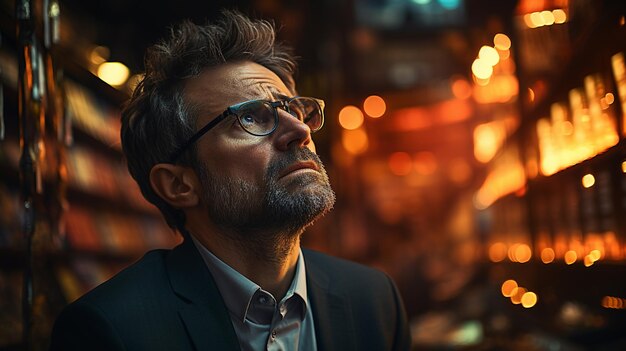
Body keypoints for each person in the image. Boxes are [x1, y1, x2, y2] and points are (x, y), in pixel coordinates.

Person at [50, 10, 411, 351]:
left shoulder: (374, 300)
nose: (300, 130)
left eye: (296, 110)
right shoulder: (111, 330)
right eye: (252, 118)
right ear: (179, 185)